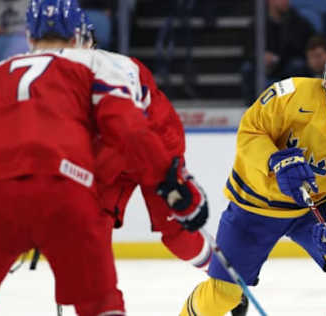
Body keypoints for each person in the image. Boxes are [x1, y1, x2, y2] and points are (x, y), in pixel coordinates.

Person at [0, 0, 206, 315]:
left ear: (28, 35)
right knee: (101, 303)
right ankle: (223, 275)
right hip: (68, 187)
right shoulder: (101, 64)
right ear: (80, 35)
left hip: (1, 191)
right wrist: (173, 184)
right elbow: (131, 129)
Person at [180, 39, 326, 316]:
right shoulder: (291, 92)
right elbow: (251, 131)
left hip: (311, 209)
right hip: (255, 205)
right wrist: (275, 159)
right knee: (222, 296)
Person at [80, 14, 248, 316]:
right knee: (90, 240)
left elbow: (155, 123)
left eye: (80, 40)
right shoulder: (51, 80)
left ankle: (226, 279)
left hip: (152, 149)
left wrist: (171, 174)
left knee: (179, 237)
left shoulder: (121, 69)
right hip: (106, 162)